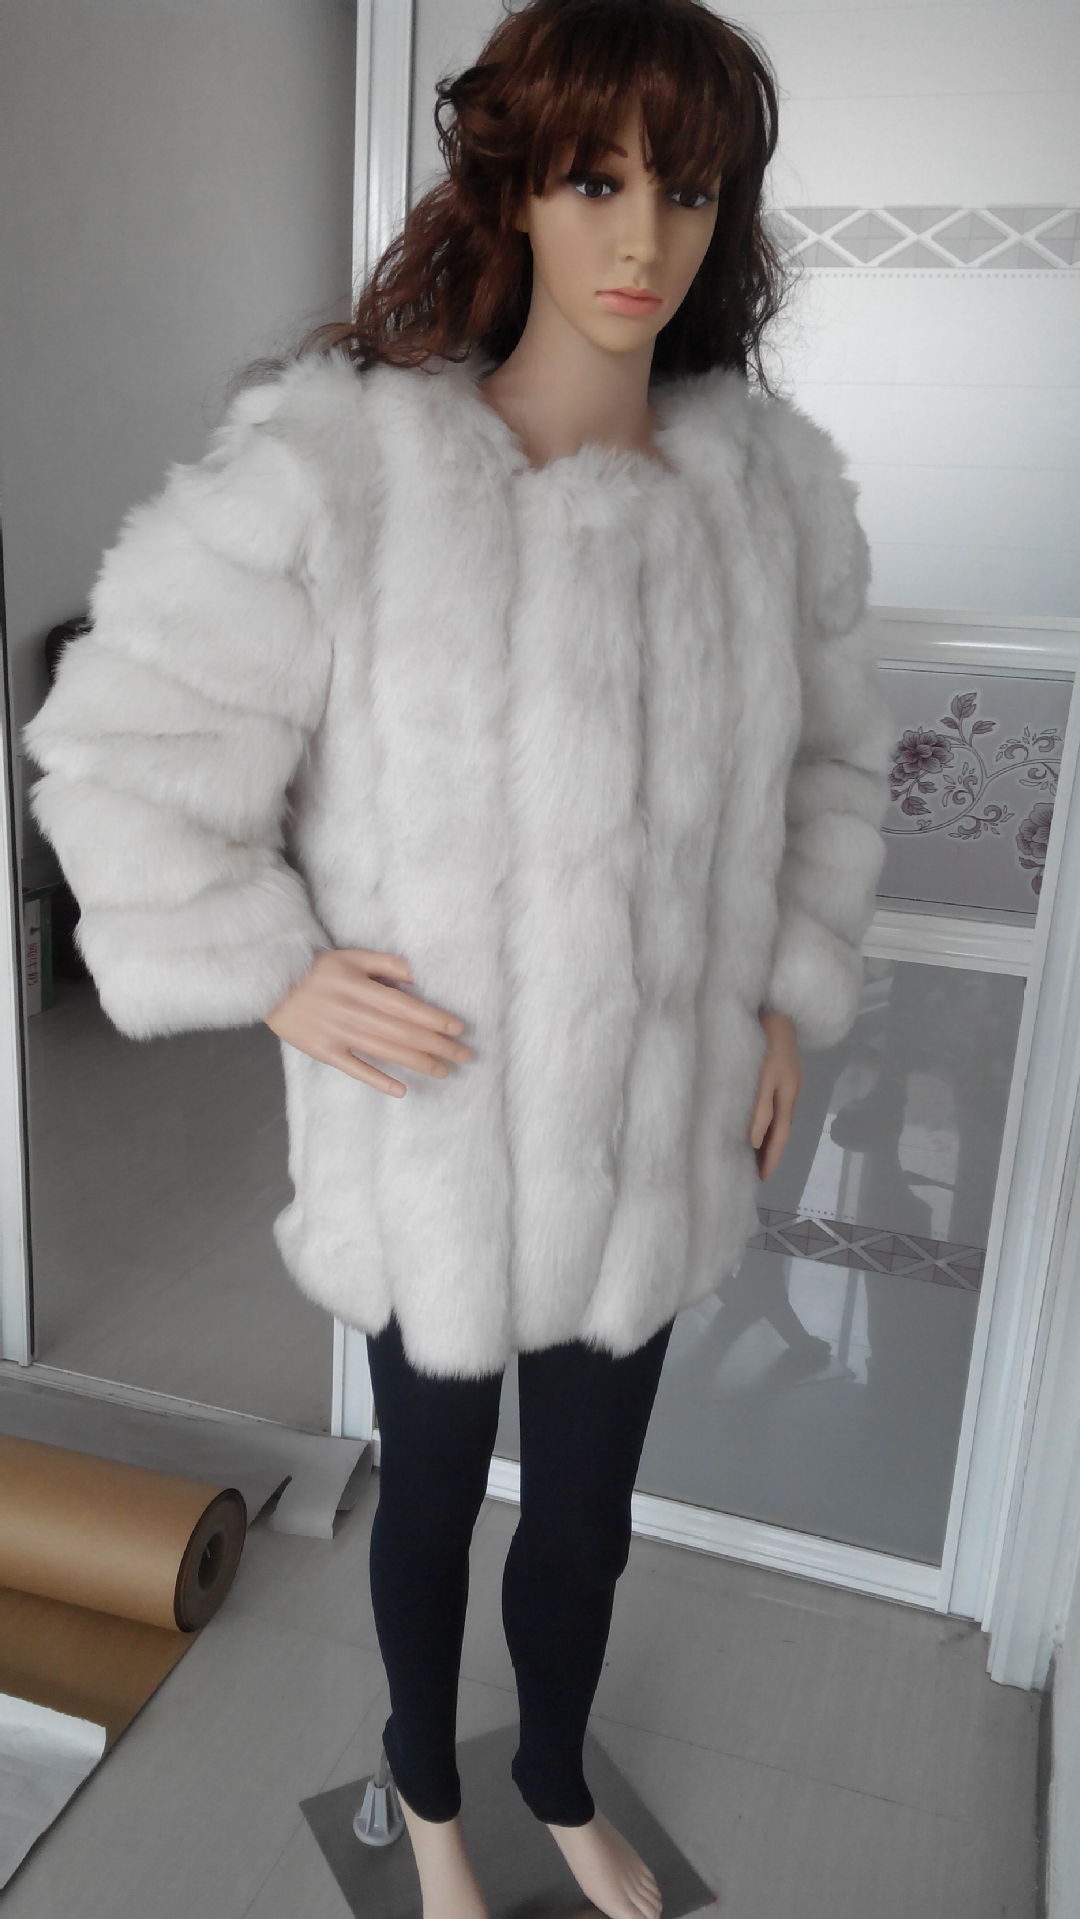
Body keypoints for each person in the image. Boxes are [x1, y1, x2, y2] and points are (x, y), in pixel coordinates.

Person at [21, 2, 895, 1913]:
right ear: (513, 188)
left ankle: (557, 1777)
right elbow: (114, 751)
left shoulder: (768, 499)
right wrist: (269, 965)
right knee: (427, 1498)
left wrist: (781, 989)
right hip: (432, 1129)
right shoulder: (342, 473)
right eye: (596, 179)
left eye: (688, 189)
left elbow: (831, 769)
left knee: (584, 1517)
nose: (642, 237)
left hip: (658, 1133)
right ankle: (428, 1802)